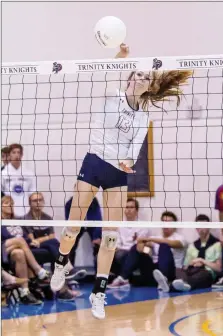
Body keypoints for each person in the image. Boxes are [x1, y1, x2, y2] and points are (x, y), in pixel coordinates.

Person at [50, 44, 192, 320]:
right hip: (93, 163)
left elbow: (133, 150)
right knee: (72, 227)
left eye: (145, 77)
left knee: (111, 236)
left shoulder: (143, 117)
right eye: (136, 73)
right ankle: (60, 263)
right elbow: (105, 72)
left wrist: (127, 161)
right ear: (129, 78)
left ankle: (98, 292)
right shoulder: (111, 95)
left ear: (149, 87)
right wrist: (119, 57)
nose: (140, 78)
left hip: (117, 174)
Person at [108, 211, 187, 291]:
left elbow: (175, 244)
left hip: (172, 271)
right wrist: (140, 244)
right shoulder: (156, 237)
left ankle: (164, 279)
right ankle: (123, 278)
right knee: (136, 248)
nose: (166, 225)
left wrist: (150, 239)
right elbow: (142, 248)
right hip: (154, 272)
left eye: (169, 222)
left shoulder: (180, 238)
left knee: (164, 246)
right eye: (164, 222)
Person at [1, 196, 50, 304]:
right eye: (6, 203)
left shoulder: (17, 220)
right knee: (19, 240)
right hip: (2, 250)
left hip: (15, 250)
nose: (10, 205)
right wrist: (19, 242)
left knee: (19, 253)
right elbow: (4, 239)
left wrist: (31, 242)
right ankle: (38, 270)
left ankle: (25, 292)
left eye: (11, 203)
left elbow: (26, 238)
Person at [172, 215, 222, 292]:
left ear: (209, 227)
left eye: (204, 226)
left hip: (207, 273)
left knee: (203, 275)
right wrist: (191, 263)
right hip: (192, 270)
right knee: (177, 271)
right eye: (199, 226)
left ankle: (181, 285)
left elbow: (219, 268)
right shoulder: (192, 246)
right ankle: (178, 284)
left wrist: (202, 261)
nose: (201, 229)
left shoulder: (217, 244)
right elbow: (185, 267)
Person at [1, 143, 36, 217]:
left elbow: (32, 194)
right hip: (9, 213)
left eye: (19, 152)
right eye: (14, 152)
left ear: (22, 155)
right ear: (9, 155)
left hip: (26, 212)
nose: (16, 155)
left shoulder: (29, 173)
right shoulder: (3, 174)